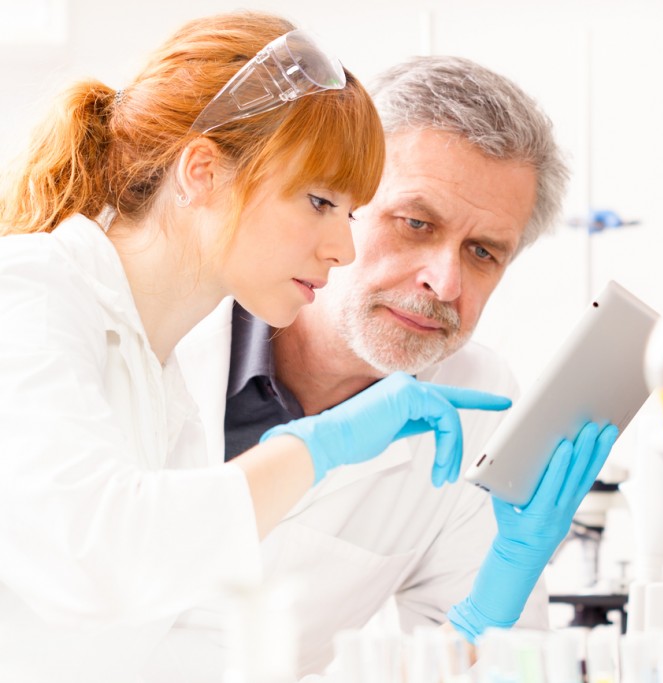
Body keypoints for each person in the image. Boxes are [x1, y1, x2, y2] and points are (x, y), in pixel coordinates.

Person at [0, 13, 511, 683]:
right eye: (321, 201)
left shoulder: (169, 393)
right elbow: (95, 555)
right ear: (203, 171)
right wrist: (313, 448)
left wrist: (478, 622)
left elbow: (197, 656)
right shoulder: (29, 294)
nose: (343, 247)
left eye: (350, 213)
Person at [161, 56, 620, 680]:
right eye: (415, 223)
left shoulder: (477, 402)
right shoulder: (165, 335)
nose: (445, 280)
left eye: (483, 252)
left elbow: (480, 665)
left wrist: (500, 596)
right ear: (339, 200)